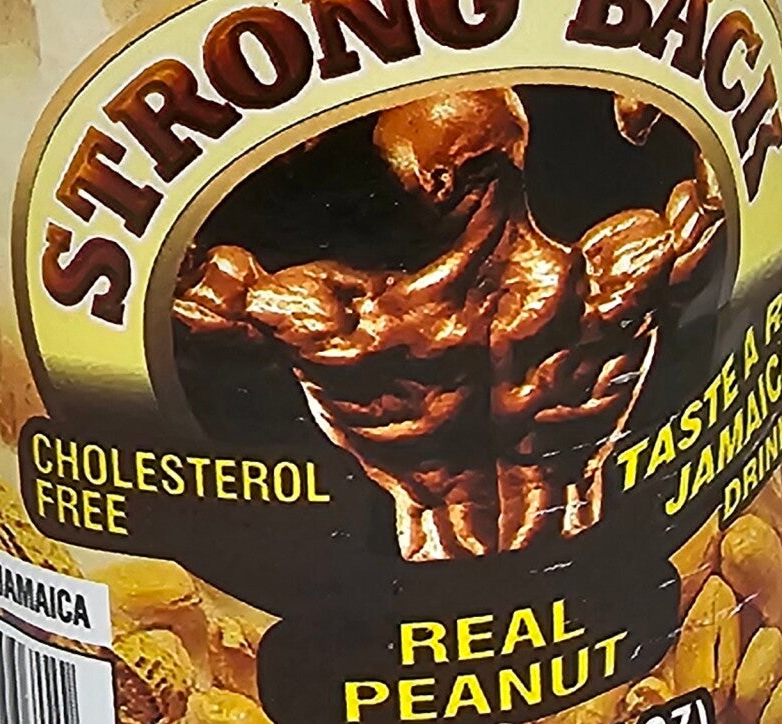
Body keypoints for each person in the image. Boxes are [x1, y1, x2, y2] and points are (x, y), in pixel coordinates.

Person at [174, 86, 724, 560]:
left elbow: (190, 292)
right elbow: (717, 200)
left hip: (420, 593)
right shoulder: (610, 280)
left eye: (390, 165)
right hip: (588, 568)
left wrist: (256, 144)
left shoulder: (352, 323)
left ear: (436, 180)